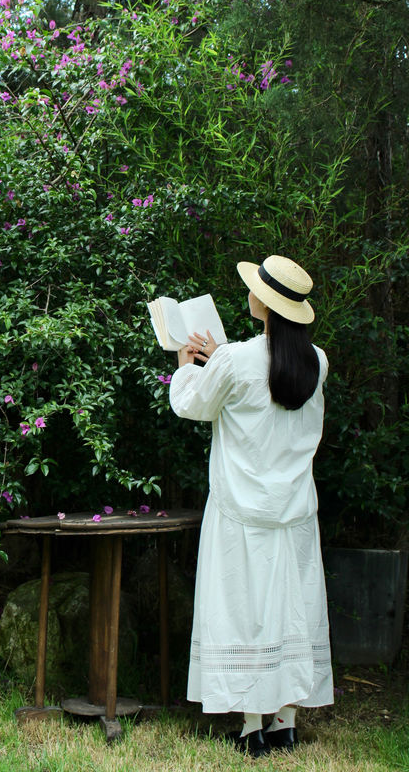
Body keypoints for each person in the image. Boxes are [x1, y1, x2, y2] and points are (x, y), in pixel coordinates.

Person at [169, 255, 333, 758]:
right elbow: (267, 385)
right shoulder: (316, 361)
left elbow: (192, 406)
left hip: (241, 510)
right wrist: (221, 358)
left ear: (264, 302)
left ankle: (250, 728)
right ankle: (284, 723)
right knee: (290, 611)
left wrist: (185, 367)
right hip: (294, 512)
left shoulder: (236, 359)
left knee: (243, 610)